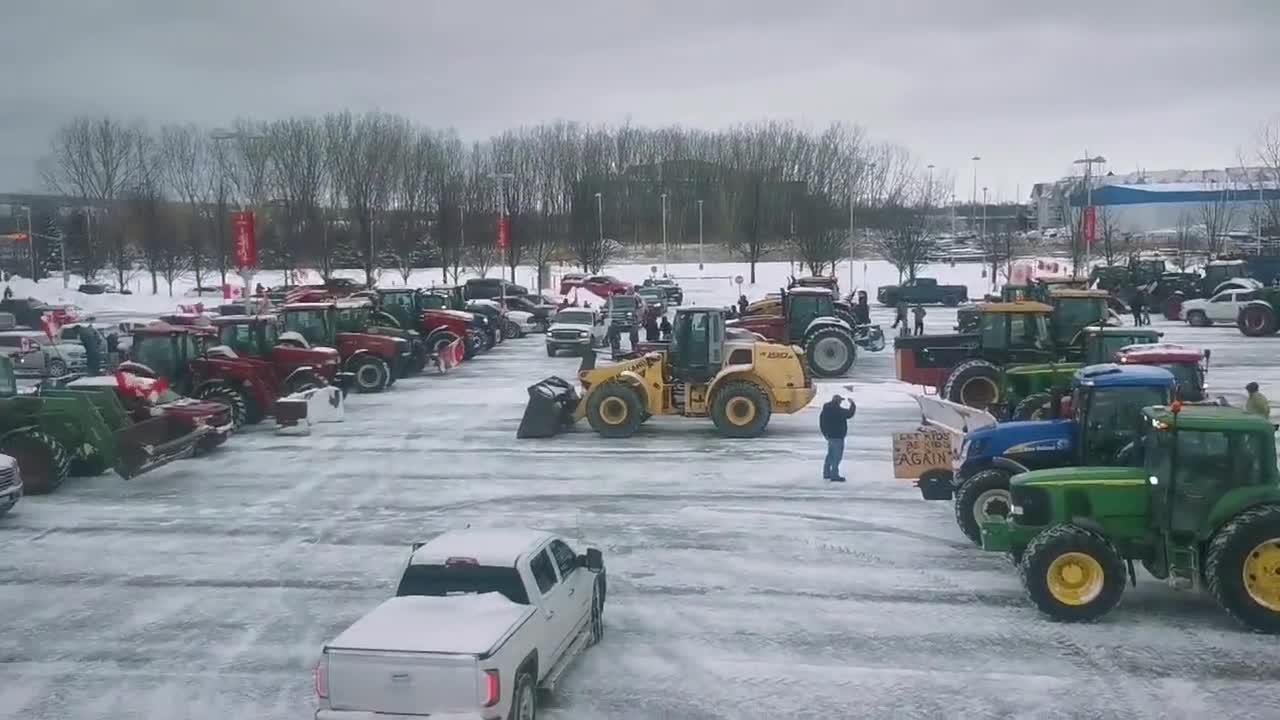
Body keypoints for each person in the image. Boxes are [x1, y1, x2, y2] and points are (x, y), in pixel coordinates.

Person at [819, 394, 857, 482]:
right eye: (840, 401)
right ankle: (834, 475)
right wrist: (853, 404)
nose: (840, 403)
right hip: (838, 437)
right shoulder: (838, 410)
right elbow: (849, 414)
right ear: (838, 402)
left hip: (830, 436)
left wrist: (825, 434)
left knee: (830, 455)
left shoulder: (825, 410)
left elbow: (821, 422)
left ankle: (826, 473)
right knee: (837, 457)